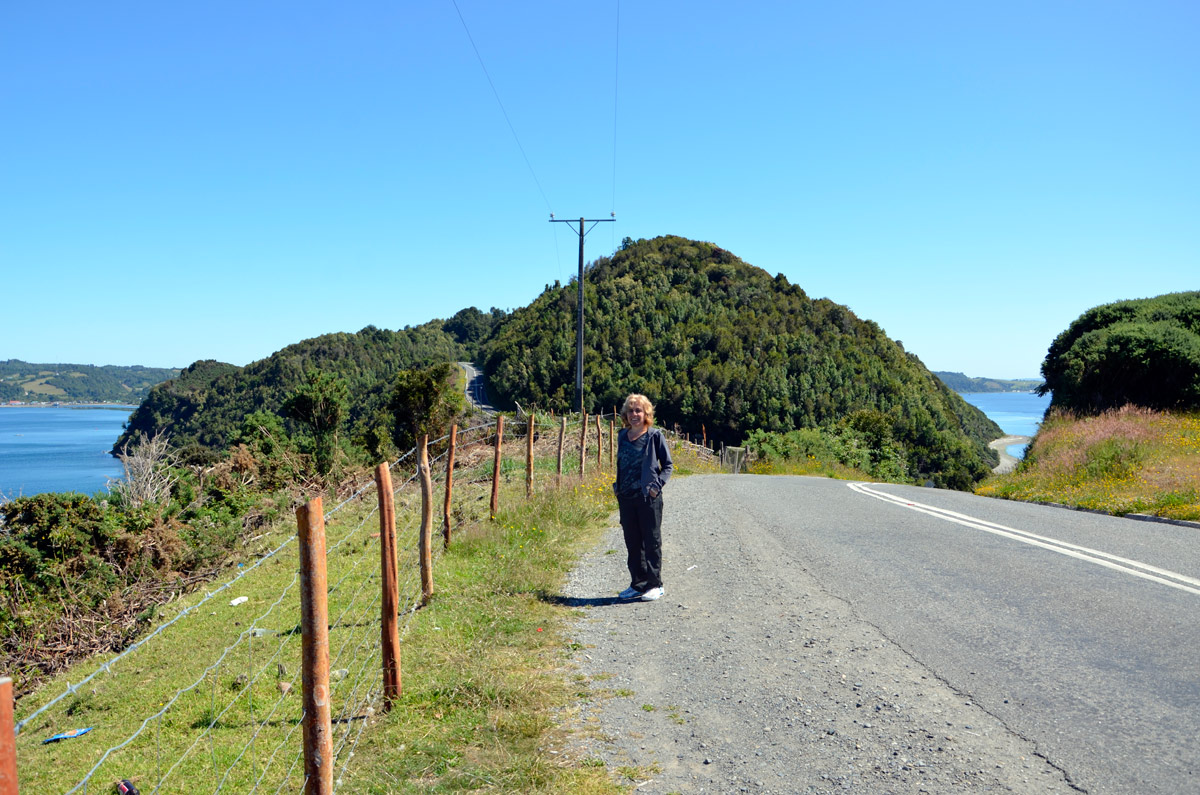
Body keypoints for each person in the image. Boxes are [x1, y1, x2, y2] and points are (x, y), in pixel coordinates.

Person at [612, 393, 673, 601]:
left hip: (648, 498)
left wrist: (656, 486)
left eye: (638, 410)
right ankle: (638, 584)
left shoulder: (654, 436)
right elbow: (621, 463)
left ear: (646, 413)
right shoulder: (622, 435)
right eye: (630, 410)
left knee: (651, 540)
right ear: (625, 414)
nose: (634, 414)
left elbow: (668, 466)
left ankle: (655, 584)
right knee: (632, 542)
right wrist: (617, 487)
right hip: (626, 497)